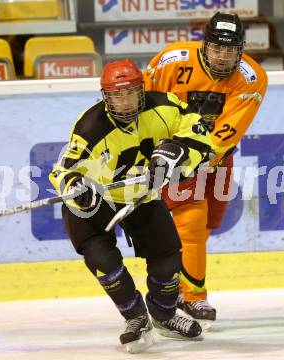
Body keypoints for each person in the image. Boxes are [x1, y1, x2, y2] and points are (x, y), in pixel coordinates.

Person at [49, 59, 213, 353]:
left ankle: (163, 314)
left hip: (139, 193)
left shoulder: (165, 106)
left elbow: (200, 136)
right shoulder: (90, 127)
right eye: (116, 96)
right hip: (95, 201)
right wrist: (75, 186)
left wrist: (179, 153)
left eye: (130, 94)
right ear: (106, 97)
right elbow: (63, 170)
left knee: (168, 259)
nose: (124, 102)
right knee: (103, 261)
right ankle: (136, 317)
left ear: (142, 91)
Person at [143, 12, 268, 327]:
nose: (223, 56)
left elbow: (228, 130)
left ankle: (177, 282)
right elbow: (143, 104)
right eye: (217, 48)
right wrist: (154, 151)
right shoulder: (171, 61)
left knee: (210, 222)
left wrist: (196, 156)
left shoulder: (252, 77)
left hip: (217, 158)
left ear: (240, 50)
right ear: (205, 45)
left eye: (230, 49)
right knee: (193, 220)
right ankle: (192, 296)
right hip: (172, 153)